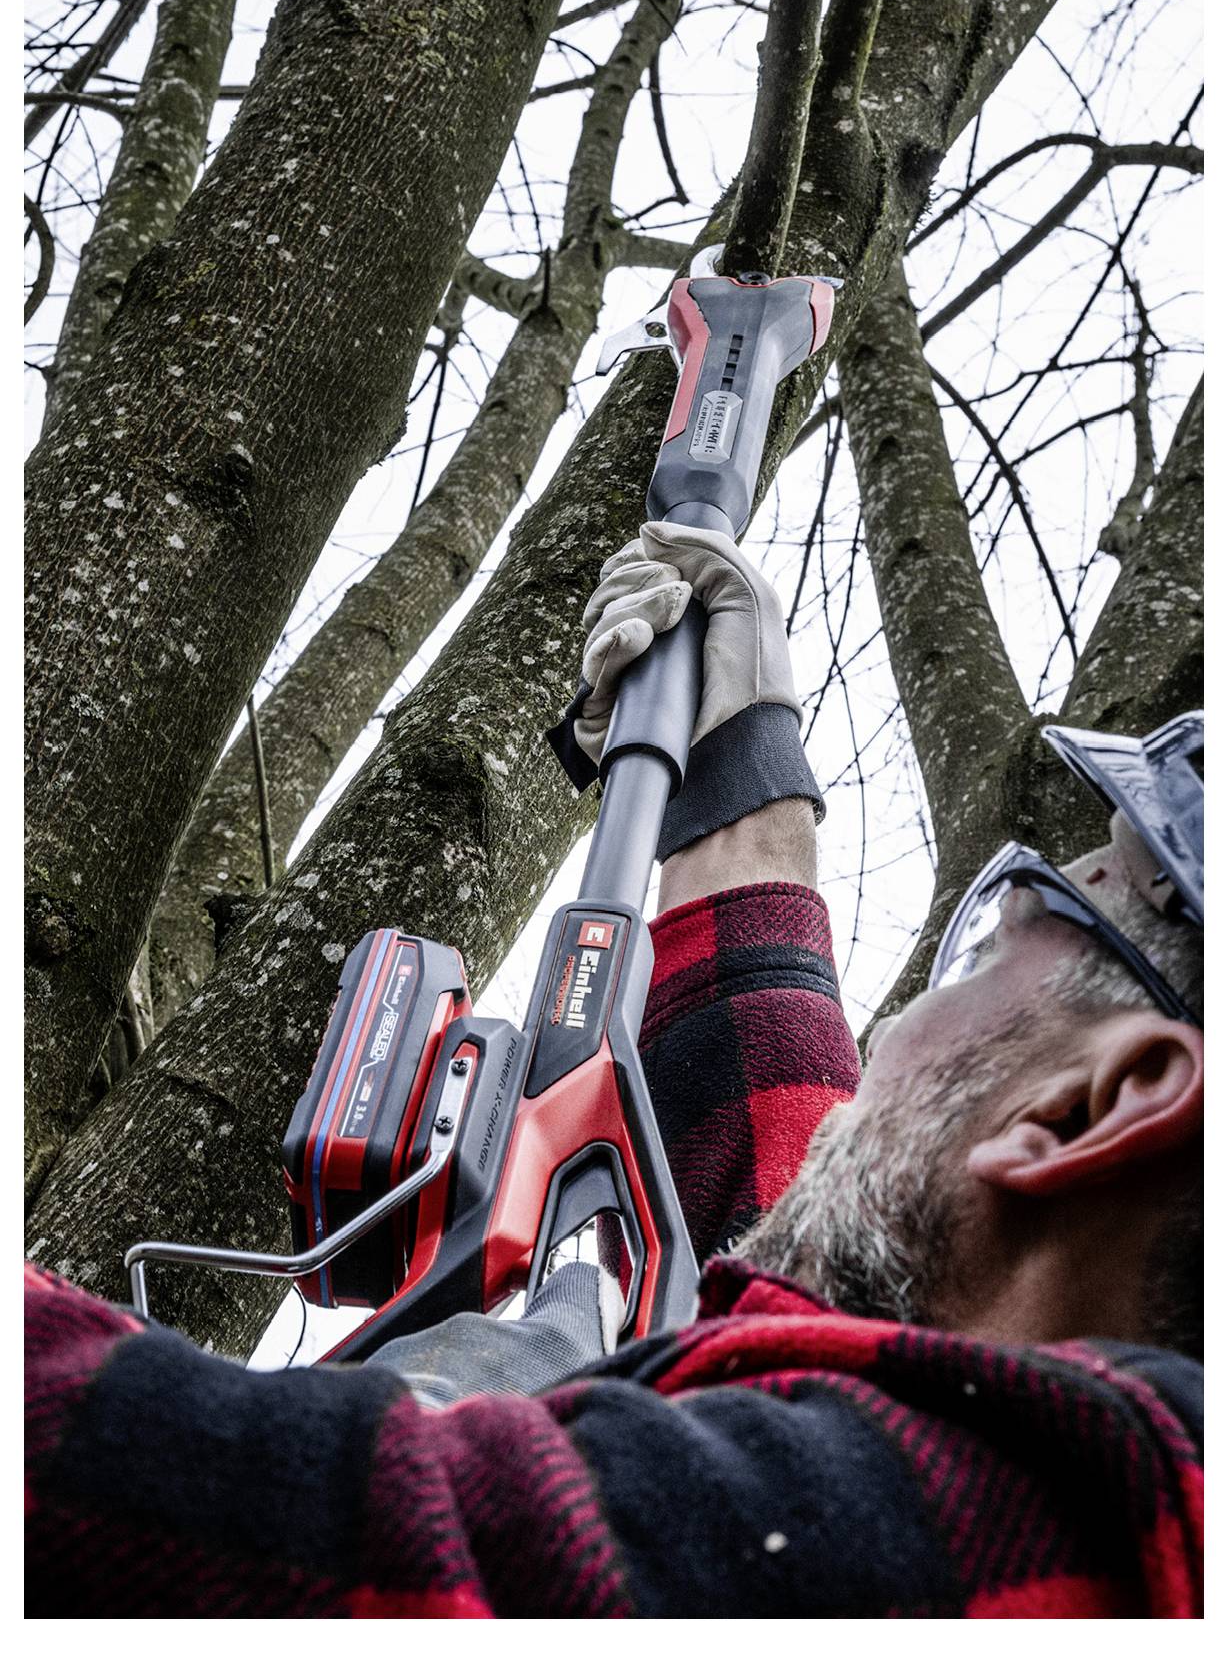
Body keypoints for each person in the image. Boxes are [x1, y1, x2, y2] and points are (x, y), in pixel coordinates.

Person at [25, 526, 1202, 1618]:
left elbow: (238, 1510)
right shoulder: (983, 1467)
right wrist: (735, 778)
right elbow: (792, 1215)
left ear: (1086, 1106)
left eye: (995, 943)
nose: (884, 1041)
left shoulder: (1030, 1519)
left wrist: (452, 1418)